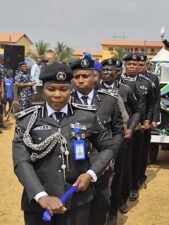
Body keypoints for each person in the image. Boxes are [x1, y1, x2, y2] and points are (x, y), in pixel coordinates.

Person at [13, 63, 115, 225]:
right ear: (42, 89)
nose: (57, 95)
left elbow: (109, 146)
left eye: (63, 89)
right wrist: (42, 196)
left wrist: (91, 173)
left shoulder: (86, 116)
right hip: (38, 204)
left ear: (71, 89)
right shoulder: (27, 120)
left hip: (76, 202)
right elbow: (21, 162)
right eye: (51, 89)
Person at [69, 58, 124, 225]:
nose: (80, 80)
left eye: (85, 76)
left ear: (95, 77)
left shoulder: (109, 100)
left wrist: (109, 157)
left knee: (100, 205)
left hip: (101, 163)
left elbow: (118, 132)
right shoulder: (66, 101)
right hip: (73, 164)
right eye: (77, 77)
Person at [99, 58, 141, 224]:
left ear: (118, 73)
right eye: (105, 70)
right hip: (100, 139)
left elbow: (137, 110)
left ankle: (113, 212)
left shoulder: (125, 89)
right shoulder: (95, 90)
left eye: (112, 70)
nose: (109, 73)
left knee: (118, 175)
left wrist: (130, 127)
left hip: (120, 138)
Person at [120, 53, 154, 203]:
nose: (133, 67)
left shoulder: (146, 82)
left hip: (139, 127)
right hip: (120, 128)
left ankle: (134, 186)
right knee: (122, 161)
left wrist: (148, 120)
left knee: (137, 157)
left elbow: (152, 103)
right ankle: (122, 189)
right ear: (125, 66)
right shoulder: (118, 82)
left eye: (135, 64)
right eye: (130, 64)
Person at [137, 54, 160, 188]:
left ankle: (141, 177)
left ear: (147, 65)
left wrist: (154, 119)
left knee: (143, 151)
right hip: (133, 121)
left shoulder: (152, 78)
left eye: (142, 64)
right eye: (137, 64)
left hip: (146, 120)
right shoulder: (127, 79)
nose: (140, 67)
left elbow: (156, 100)